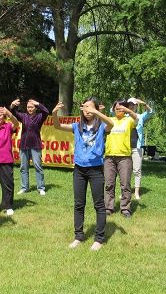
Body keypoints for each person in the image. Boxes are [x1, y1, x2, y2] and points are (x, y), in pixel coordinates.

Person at [52, 97, 114, 251]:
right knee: (79, 204)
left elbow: (112, 124)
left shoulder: (101, 126)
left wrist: (96, 112)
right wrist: (54, 113)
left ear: (96, 109)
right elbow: (57, 126)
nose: (87, 111)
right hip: (79, 169)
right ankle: (78, 237)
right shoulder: (77, 126)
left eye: (90, 108)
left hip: (96, 170)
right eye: (85, 107)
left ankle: (99, 239)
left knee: (99, 205)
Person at [104, 99, 138, 218]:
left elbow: (137, 119)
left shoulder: (128, 120)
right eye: (117, 108)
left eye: (121, 108)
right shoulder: (110, 120)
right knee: (109, 184)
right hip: (109, 157)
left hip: (124, 158)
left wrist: (128, 110)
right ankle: (108, 207)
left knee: (125, 184)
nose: (119, 110)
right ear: (113, 109)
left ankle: (125, 208)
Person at [9, 98, 49, 196]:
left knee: (38, 167)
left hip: (36, 145)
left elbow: (46, 111)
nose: (29, 109)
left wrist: (38, 103)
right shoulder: (23, 116)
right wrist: (12, 105)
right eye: (28, 107)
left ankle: (41, 188)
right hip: (24, 145)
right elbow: (13, 112)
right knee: (23, 168)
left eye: (31, 107)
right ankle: (24, 187)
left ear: (35, 108)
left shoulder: (40, 117)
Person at [126, 98, 153, 200]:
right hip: (125, 147)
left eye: (133, 104)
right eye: (129, 104)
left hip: (137, 147)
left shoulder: (141, 117)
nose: (131, 106)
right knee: (125, 171)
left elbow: (150, 112)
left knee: (137, 170)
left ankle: (136, 193)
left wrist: (143, 103)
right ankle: (125, 191)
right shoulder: (123, 116)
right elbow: (112, 110)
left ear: (136, 106)